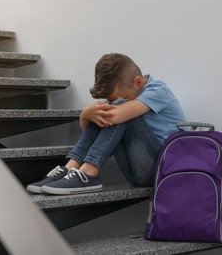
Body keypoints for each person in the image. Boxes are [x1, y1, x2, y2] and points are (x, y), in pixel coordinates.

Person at [26, 53, 185, 195]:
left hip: (158, 170)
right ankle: (70, 167)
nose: (118, 101)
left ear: (138, 82)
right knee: (110, 111)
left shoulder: (159, 91)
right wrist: (86, 115)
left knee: (115, 111)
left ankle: (90, 172)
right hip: (134, 170)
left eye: (123, 96)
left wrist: (87, 113)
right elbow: (98, 125)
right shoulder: (131, 95)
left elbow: (113, 117)